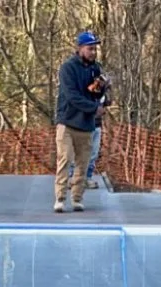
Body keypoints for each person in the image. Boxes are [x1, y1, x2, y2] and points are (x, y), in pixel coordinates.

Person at [53, 31, 108, 213]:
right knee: (65, 158)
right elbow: (72, 96)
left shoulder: (95, 69)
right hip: (67, 122)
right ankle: (60, 198)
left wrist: (101, 91)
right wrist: (94, 108)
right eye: (90, 48)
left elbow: (94, 94)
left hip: (86, 124)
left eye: (95, 49)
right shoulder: (67, 68)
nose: (93, 52)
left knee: (83, 163)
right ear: (80, 48)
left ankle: (77, 198)